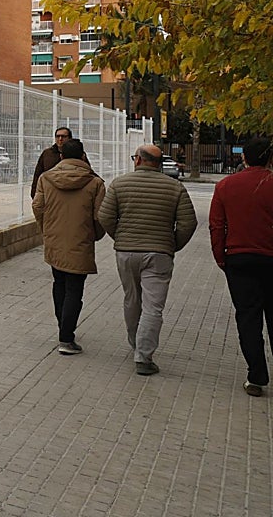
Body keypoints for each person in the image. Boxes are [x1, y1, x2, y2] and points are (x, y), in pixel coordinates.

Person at [98, 143, 198, 376]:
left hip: (126, 252)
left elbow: (105, 216)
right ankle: (143, 356)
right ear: (159, 163)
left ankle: (135, 342)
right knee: (154, 306)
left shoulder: (119, 184)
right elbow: (188, 223)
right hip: (159, 254)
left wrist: (121, 237)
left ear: (139, 160)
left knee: (132, 299)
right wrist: (171, 245)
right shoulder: (175, 187)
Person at [209, 137, 273, 397]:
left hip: (239, 258)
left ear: (244, 158)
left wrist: (221, 257)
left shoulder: (225, 186)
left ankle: (256, 376)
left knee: (248, 317)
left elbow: (216, 226)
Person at [32, 138, 106, 355]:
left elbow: (38, 206)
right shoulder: (95, 183)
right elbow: (100, 215)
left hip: (55, 239)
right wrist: (94, 235)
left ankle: (63, 327)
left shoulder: (46, 178)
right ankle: (66, 337)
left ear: (61, 156)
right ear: (83, 156)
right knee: (75, 289)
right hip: (80, 241)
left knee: (59, 283)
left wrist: (46, 229)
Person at [31, 127, 92, 197]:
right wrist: (34, 194)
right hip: (50, 193)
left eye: (63, 136)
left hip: (74, 192)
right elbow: (37, 174)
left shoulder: (78, 153)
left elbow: (87, 171)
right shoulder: (47, 154)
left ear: (70, 138)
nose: (60, 139)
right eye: (57, 136)